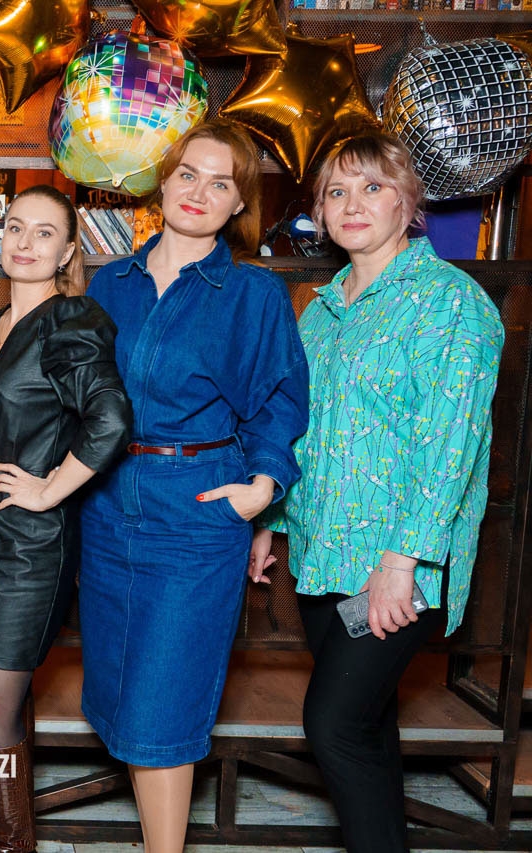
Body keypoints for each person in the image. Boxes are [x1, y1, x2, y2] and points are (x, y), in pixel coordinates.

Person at [249, 132, 503, 853]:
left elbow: (450, 446)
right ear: (321, 213)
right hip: (323, 555)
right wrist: (270, 521)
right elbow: (301, 428)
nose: (352, 204)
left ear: (408, 202)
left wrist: (400, 563)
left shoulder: (451, 302)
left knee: (334, 724)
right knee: (367, 726)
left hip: (396, 565)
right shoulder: (320, 310)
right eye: (336, 191)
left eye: (373, 187)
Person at [78, 119, 309, 853]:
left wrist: (261, 491)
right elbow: (72, 392)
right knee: (121, 693)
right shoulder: (109, 283)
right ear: (163, 181)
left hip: (197, 507)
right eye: (188, 174)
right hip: (107, 504)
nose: (200, 192)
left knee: (163, 703)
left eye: (221, 183)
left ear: (239, 204)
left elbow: (281, 401)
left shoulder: (252, 293)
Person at [0, 185, 131, 853]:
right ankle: (14, 836)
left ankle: (12, 844)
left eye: (44, 232)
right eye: (15, 227)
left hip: (28, 551)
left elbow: (111, 420)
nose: (24, 242)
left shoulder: (71, 321)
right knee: (1, 707)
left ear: (68, 251)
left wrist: (51, 490)